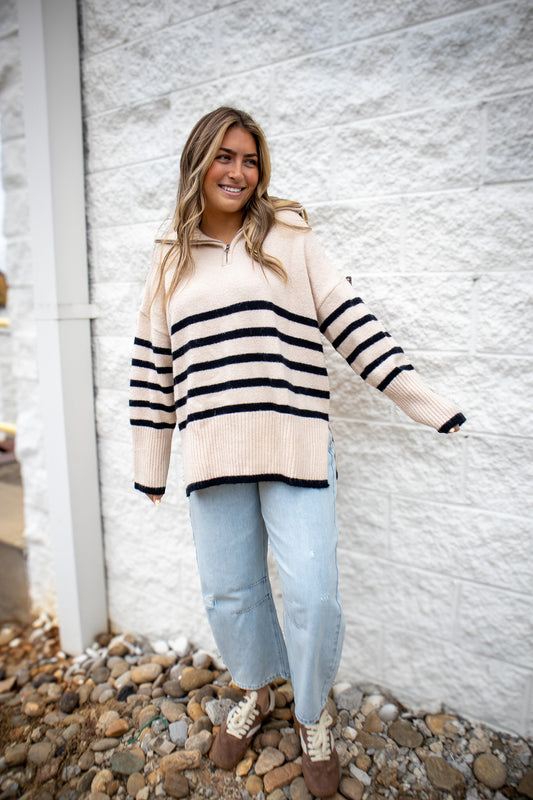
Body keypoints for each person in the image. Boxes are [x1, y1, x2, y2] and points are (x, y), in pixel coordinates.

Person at [130, 106, 465, 797]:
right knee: (230, 595)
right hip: (214, 454)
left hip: (296, 446)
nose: (238, 172)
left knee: (312, 596)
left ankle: (310, 711)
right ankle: (256, 692)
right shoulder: (167, 256)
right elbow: (151, 365)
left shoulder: (290, 236)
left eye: (250, 160)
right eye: (225, 156)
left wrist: (421, 401)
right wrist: (150, 464)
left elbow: (351, 322)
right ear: (198, 162)